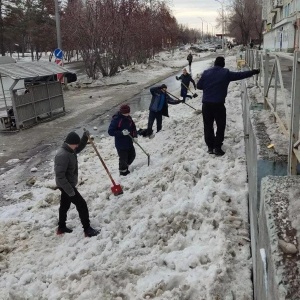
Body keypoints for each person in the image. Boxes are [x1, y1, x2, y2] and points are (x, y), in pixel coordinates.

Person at [196, 56, 260, 156]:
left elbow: (199, 86)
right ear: (223, 64)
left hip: (206, 105)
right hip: (218, 105)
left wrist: (209, 86)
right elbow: (240, 75)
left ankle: (210, 147)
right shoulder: (225, 73)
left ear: (215, 63)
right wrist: (253, 72)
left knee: (208, 126)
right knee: (220, 126)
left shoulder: (206, 72)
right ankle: (217, 147)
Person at [54, 131, 100, 237]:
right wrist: (70, 191)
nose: (77, 146)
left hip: (68, 184)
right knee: (82, 204)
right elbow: (60, 176)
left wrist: (84, 137)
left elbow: (79, 147)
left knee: (64, 205)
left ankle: (61, 227)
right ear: (71, 143)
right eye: (76, 144)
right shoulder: (62, 155)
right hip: (66, 185)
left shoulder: (70, 150)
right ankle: (87, 229)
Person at [108, 104, 137, 176]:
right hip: (121, 144)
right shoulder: (116, 119)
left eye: (128, 112)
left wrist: (135, 136)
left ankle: (126, 166)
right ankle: (123, 172)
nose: (128, 114)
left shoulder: (129, 118)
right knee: (123, 159)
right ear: (122, 112)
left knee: (132, 155)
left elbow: (133, 127)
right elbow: (110, 131)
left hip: (129, 142)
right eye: (126, 113)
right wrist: (121, 133)